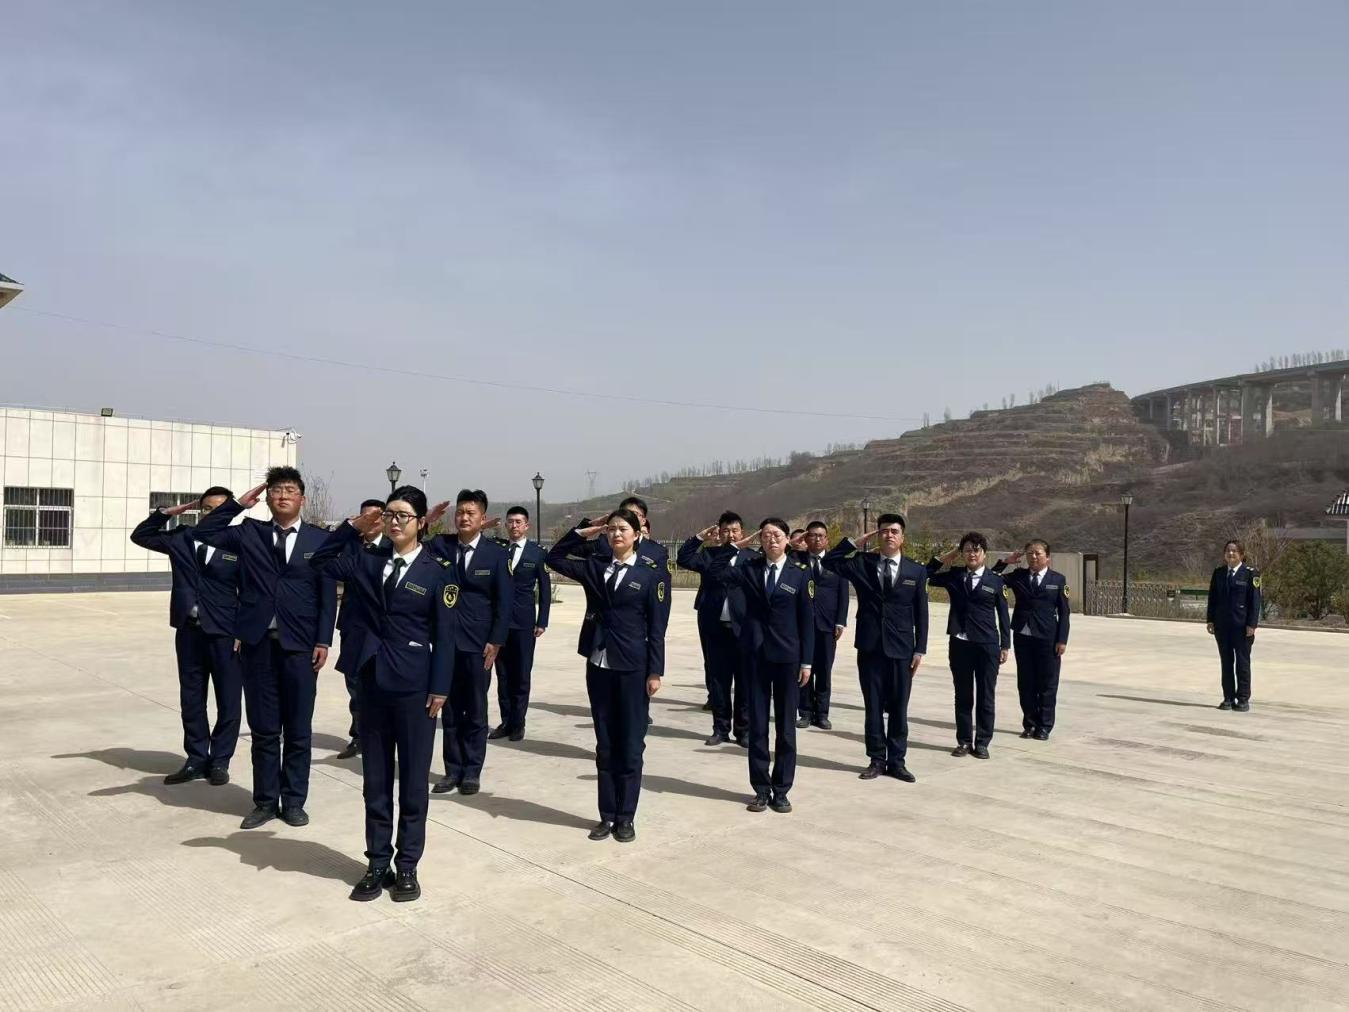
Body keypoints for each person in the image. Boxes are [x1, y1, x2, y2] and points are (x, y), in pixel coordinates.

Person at [309, 488, 455, 903]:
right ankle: (376, 862)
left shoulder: (437, 572)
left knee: (412, 781)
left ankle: (407, 865)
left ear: (421, 523)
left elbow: (446, 636)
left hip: (415, 688)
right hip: (371, 681)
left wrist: (440, 687)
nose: (394, 521)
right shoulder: (366, 559)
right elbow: (319, 560)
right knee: (375, 780)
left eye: (403, 515)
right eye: (390, 514)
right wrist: (353, 527)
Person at [192, 467, 337, 828]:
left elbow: (327, 598)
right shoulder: (248, 533)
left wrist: (323, 639)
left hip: (301, 648)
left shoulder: (320, 540)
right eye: (276, 490)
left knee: (298, 729)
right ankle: (265, 801)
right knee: (264, 729)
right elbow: (202, 532)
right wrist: (236, 506)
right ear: (267, 498)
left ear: (302, 498)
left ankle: (294, 801)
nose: (282, 496)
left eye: (289, 490)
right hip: (257, 645)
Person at [546, 509, 667, 842]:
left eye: (623, 529)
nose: (616, 534)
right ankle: (606, 815)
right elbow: (553, 558)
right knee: (606, 744)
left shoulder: (651, 574)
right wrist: (582, 532)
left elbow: (657, 628)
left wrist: (655, 670)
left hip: (633, 667)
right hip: (599, 664)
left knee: (631, 745)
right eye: (611, 529)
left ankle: (626, 817)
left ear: (637, 534)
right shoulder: (596, 566)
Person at [130, 486, 243, 786]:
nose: (213, 514)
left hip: (225, 632)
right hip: (189, 631)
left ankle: (220, 761)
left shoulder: (239, 541)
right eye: (207, 508)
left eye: (221, 509)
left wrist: (243, 630)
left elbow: (251, 590)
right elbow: (140, 536)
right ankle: (196, 758)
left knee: (228, 700)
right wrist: (165, 513)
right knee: (191, 698)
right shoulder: (182, 537)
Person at [701, 518, 813, 813]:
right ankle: (761, 789)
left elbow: (807, 620)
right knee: (758, 726)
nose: (771, 540)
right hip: (755, 655)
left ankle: (782, 789)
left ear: (787, 539)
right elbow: (714, 571)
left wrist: (807, 662)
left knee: (786, 728)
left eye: (776, 535)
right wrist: (733, 547)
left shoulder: (800, 574)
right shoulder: (749, 568)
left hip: (788, 657)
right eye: (765, 535)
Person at [823, 514, 928, 782]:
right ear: (877, 536)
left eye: (894, 531)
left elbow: (921, 612)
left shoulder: (916, 571)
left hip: (902, 649)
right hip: (870, 646)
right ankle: (877, 759)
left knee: (899, 708)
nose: (889, 535)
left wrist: (920, 649)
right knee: (873, 706)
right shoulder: (862, 563)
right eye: (883, 531)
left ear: (902, 537)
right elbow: (829, 560)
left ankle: (897, 761)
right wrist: (853, 543)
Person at [426, 490, 510, 796]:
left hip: (478, 645)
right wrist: (426, 521)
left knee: (475, 709)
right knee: (448, 709)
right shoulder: (441, 545)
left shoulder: (496, 554)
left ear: (482, 518)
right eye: (460, 512)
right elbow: (411, 543)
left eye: (470, 513)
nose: (463, 517)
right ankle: (452, 770)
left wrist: (496, 641)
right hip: (445, 642)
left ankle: (472, 771)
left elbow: (504, 603)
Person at [927, 533, 1011, 760]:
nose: (971, 554)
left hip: (987, 645)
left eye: (976, 550)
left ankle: (982, 742)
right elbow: (926, 575)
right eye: (967, 550)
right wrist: (949, 555)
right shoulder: (954, 576)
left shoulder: (995, 580)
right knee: (963, 695)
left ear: (984, 553)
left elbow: (1003, 615)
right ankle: (964, 741)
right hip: (960, 644)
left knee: (986, 695)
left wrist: (1005, 645)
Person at [677, 512, 755, 746]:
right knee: (719, 681)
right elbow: (683, 558)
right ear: (719, 533)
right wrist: (700, 538)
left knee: (744, 681)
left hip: (744, 629)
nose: (730, 535)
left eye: (735, 531)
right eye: (725, 531)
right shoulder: (709, 555)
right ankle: (720, 729)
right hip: (714, 627)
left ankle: (743, 730)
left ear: (742, 532)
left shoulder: (752, 559)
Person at [992, 540, 1070, 739]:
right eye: (1029, 553)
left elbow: (1064, 612)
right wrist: (1005, 562)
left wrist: (1062, 639)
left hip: (1048, 637)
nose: (1033, 557)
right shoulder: (1018, 576)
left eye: (1037, 553)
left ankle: (1044, 726)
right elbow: (992, 579)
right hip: (1023, 636)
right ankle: (1030, 724)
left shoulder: (1058, 579)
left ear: (1047, 557)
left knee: (1047, 683)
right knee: (1026, 683)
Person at [333, 498, 391, 760]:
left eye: (375, 517)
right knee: (354, 684)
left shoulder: (392, 547)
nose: (370, 522)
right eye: (365, 517)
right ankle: (358, 735)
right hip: (353, 625)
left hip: (381, 630)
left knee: (381, 684)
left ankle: (381, 734)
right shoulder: (350, 545)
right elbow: (324, 558)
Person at [488, 505, 551, 741]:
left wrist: (542, 621)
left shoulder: (537, 553)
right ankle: (506, 721)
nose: (513, 526)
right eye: (510, 522)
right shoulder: (498, 550)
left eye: (518, 522)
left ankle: (518, 723)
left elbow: (545, 590)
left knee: (521, 674)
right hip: (499, 623)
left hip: (524, 623)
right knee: (503, 674)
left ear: (526, 526)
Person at [792, 520, 849, 731]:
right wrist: (791, 544)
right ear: (806, 538)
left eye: (820, 536)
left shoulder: (836, 562)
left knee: (824, 671)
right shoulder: (796, 560)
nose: (817, 539)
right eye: (812, 535)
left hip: (827, 625)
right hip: (802, 625)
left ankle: (822, 713)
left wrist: (840, 621)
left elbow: (843, 594)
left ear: (827, 539)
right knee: (804, 668)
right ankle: (805, 712)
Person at [1206, 540, 1261, 711]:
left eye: (1234, 551)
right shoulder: (1219, 573)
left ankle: (1243, 699)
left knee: (1242, 663)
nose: (1231, 554)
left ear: (1241, 555)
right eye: (1228, 551)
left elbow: (1255, 601)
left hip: (1242, 627)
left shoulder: (1250, 574)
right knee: (1226, 662)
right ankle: (1228, 698)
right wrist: (1210, 620)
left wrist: (1252, 624)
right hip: (1222, 626)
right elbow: (1212, 598)